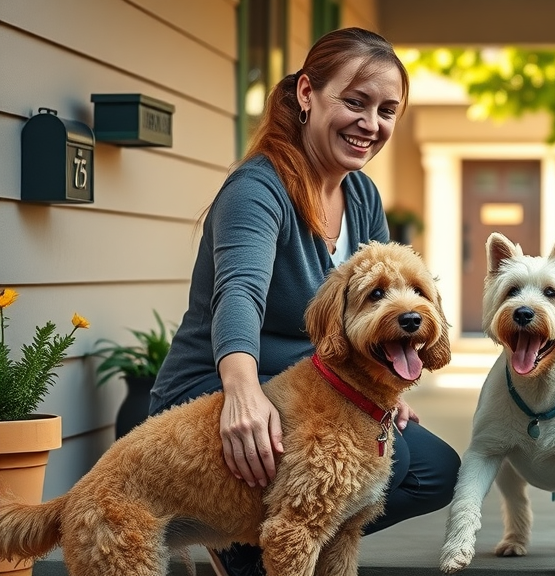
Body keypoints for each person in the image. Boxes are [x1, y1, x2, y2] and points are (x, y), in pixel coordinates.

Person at [150, 27, 460, 575]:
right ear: (306, 95)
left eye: (387, 110)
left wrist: (386, 385)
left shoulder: (361, 194)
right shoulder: (258, 188)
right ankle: (244, 532)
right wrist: (242, 395)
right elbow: (239, 293)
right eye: (355, 102)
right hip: (222, 385)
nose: (371, 124)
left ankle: (282, 532)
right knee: (383, 455)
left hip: (319, 389)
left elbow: (377, 307)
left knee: (430, 469)